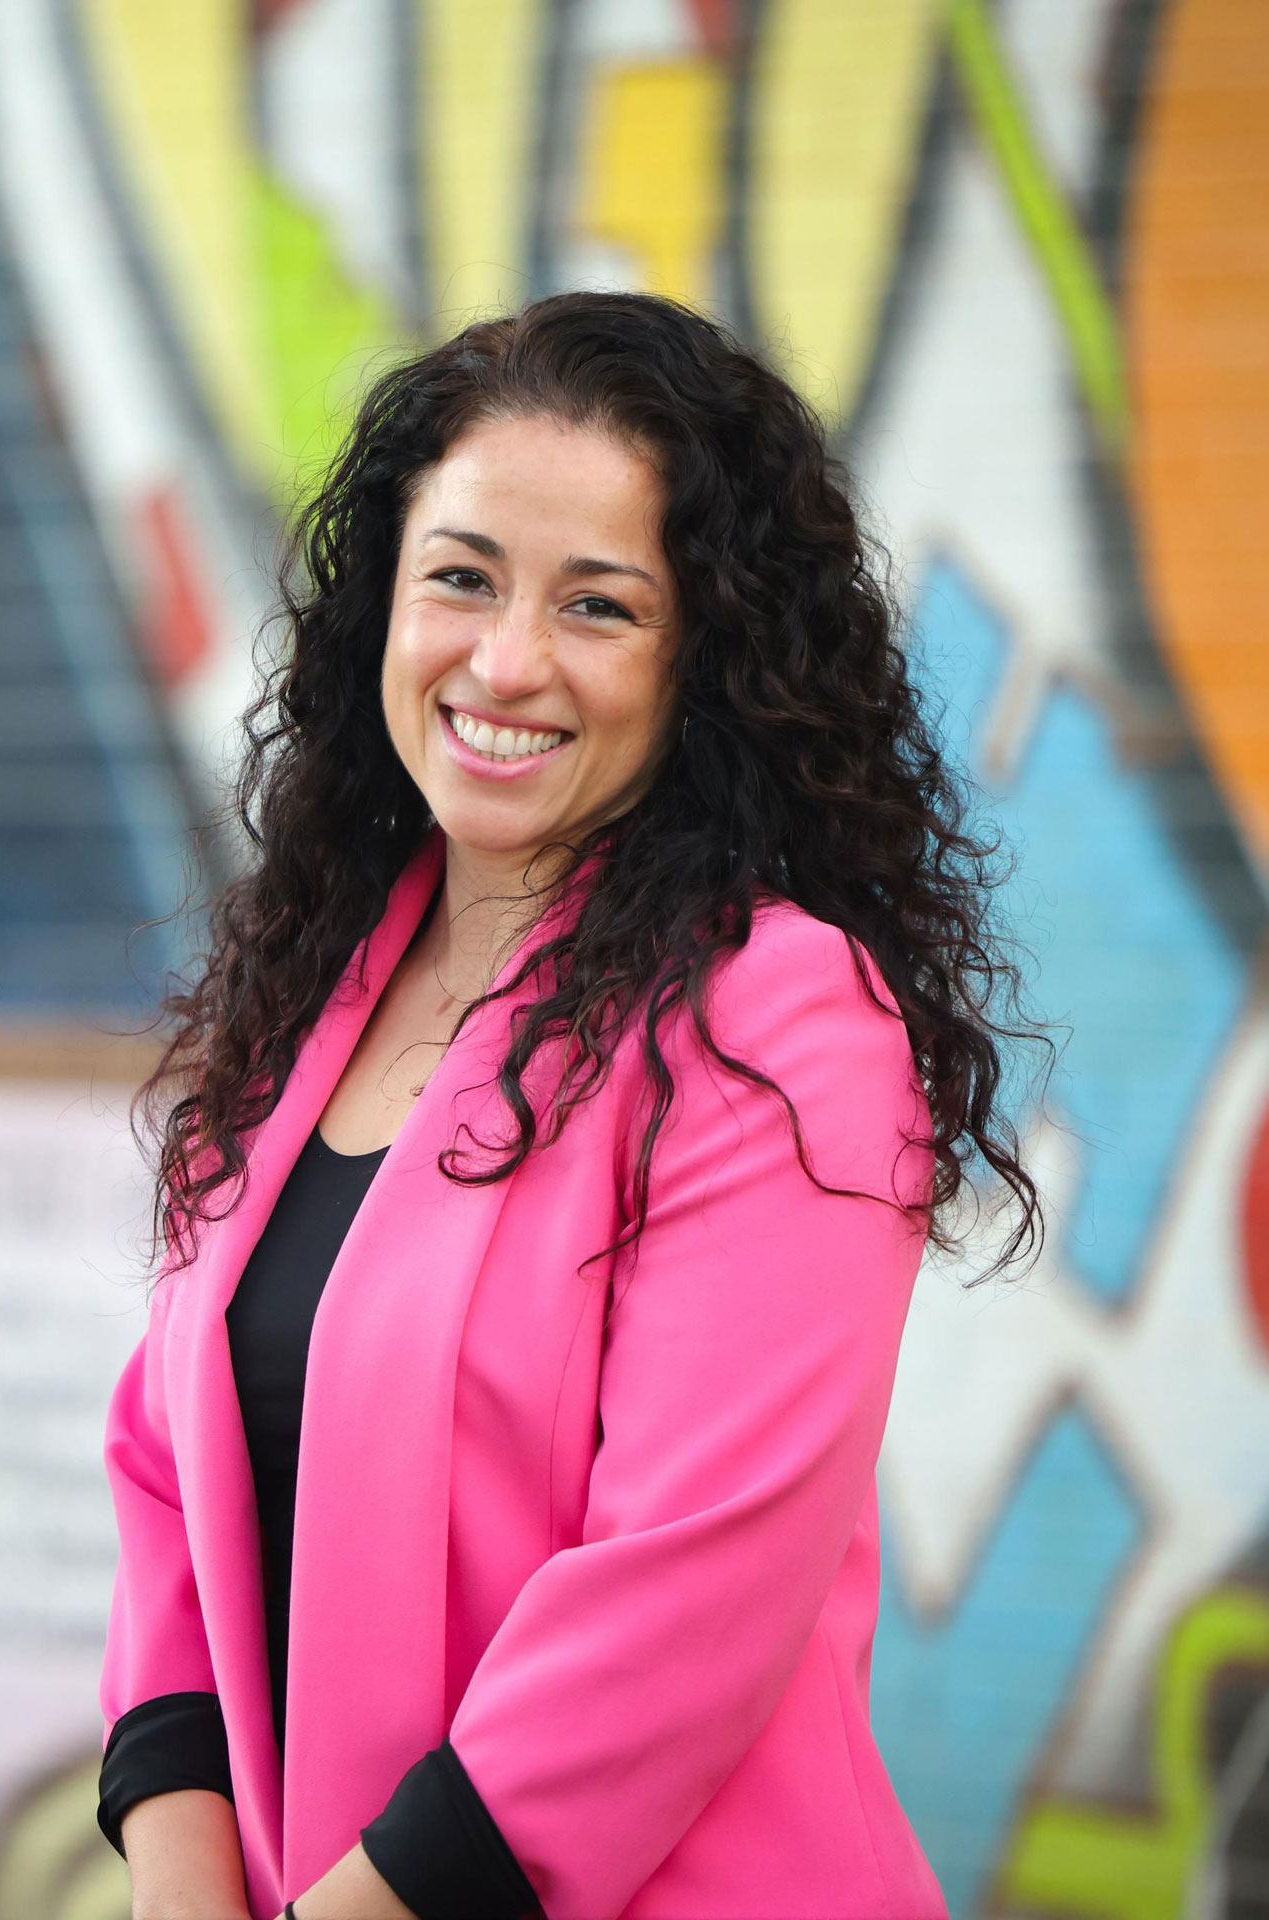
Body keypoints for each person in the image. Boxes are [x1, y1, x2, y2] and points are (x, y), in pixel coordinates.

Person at [96, 290, 1045, 1919]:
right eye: (459, 578)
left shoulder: (781, 1022)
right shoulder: (315, 993)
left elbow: (679, 1599)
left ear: (703, 664)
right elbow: (168, 1472)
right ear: (378, 609)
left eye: (598, 606)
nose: (507, 659)